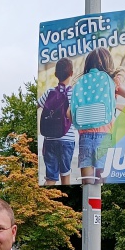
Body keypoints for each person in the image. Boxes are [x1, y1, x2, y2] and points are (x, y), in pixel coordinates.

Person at [71, 46, 125, 185]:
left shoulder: (81, 83)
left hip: (84, 137)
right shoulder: (112, 81)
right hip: (105, 137)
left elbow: (70, 112)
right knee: (101, 179)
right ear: (107, 63)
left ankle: (88, 203)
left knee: (87, 182)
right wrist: (118, 107)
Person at [38, 57, 76, 186]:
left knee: (51, 177)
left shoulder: (49, 92)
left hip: (49, 139)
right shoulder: (74, 94)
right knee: (65, 174)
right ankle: (65, 203)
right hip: (67, 139)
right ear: (72, 73)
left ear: (55, 74)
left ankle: (47, 202)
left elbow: (37, 105)